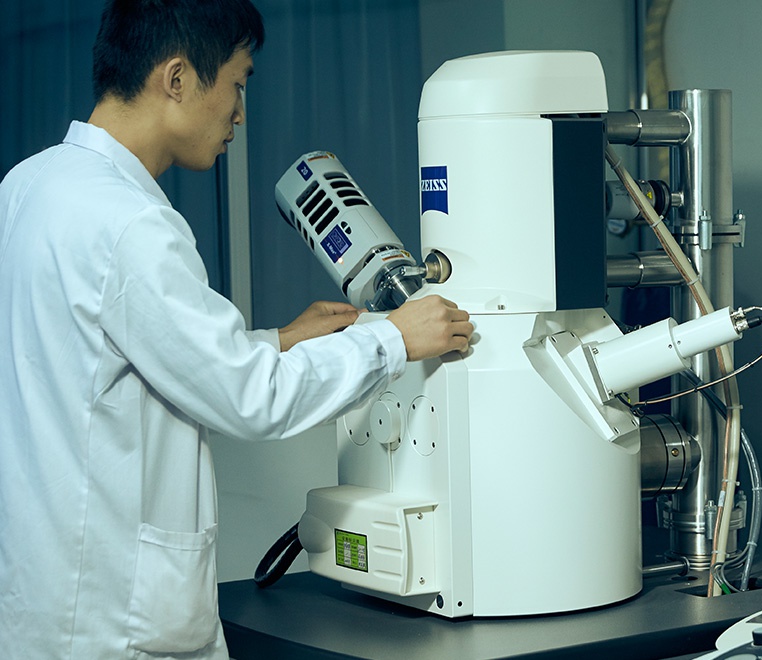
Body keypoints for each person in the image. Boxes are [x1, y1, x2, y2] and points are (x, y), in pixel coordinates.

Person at [0, 0, 472, 657]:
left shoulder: (28, 185)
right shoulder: (132, 225)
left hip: (41, 606)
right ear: (176, 79)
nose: (240, 114)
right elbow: (251, 397)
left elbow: (106, 361)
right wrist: (394, 338)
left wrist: (276, 342)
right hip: (115, 625)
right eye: (237, 83)